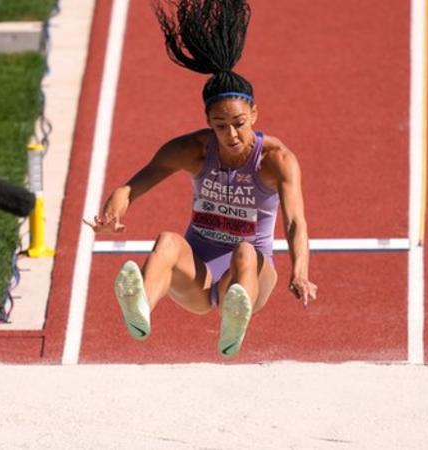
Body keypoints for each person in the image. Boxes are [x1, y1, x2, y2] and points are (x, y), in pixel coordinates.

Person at [84, 0, 317, 358]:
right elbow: (131, 187)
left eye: (239, 123)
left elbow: (296, 221)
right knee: (167, 241)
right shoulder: (191, 150)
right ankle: (139, 306)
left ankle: (234, 320)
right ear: (208, 121)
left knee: (245, 251)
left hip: (252, 273)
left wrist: (300, 272)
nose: (232, 134)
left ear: (254, 113)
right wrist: (111, 212)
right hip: (199, 271)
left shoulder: (276, 160)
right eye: (221, 126)